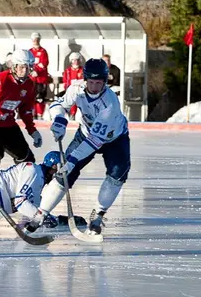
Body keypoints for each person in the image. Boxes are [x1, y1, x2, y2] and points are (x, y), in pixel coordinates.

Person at [26, 58, 130, 236]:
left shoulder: (110, 103)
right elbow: (58, 104)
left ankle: (98, 215)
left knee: (118, 173)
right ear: (85, 80)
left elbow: (94, 141)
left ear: (105, 82)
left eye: (99, 83)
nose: (95, 87)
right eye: (91, 82)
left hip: (114, 139)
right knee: (65, 173)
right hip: (85, 132)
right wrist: (59, 119)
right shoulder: (77, 90)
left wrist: (73, 160)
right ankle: (41, 213)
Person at [29, 32, 50, 119]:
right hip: (32, 79)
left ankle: (40, 115)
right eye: (34, 39)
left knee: (40, 98)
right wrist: (32, 70)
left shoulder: (43, 51)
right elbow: (28, 63)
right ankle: (32, 114)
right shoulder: (29, 51)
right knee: (31, 97)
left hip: (41, 79)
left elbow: (44, 64)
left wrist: (37, 69)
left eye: (37, 39)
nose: (35, 41)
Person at [62, 52, 83, 118]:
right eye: (73, 60)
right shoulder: (68, 71)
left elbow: (84, 81)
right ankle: (71, 114)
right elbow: (65, 81)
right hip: (70, 90)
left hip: (80, 91)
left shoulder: (82, 70)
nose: (75, 62)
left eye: (77, 60)